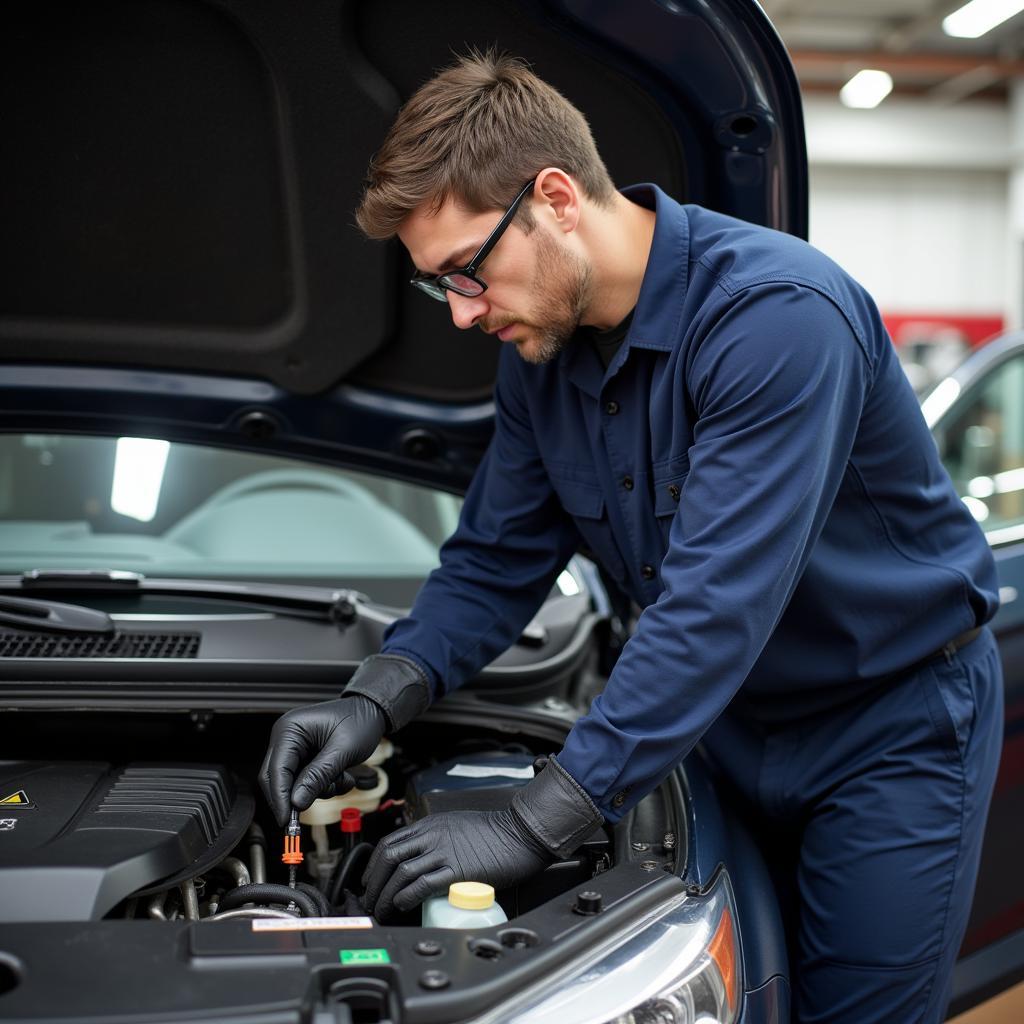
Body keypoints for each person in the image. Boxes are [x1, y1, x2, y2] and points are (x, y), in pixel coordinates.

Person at [260, 52, 1003, 1021]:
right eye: (436, 286)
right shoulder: (542, 349)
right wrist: (381, 694)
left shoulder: (776, 318)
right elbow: (495, 560)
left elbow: (714, 602)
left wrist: (540, 819)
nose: (461, 311)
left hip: (886, 730)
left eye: (466, 272)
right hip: (717, 725)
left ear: (556, 198)